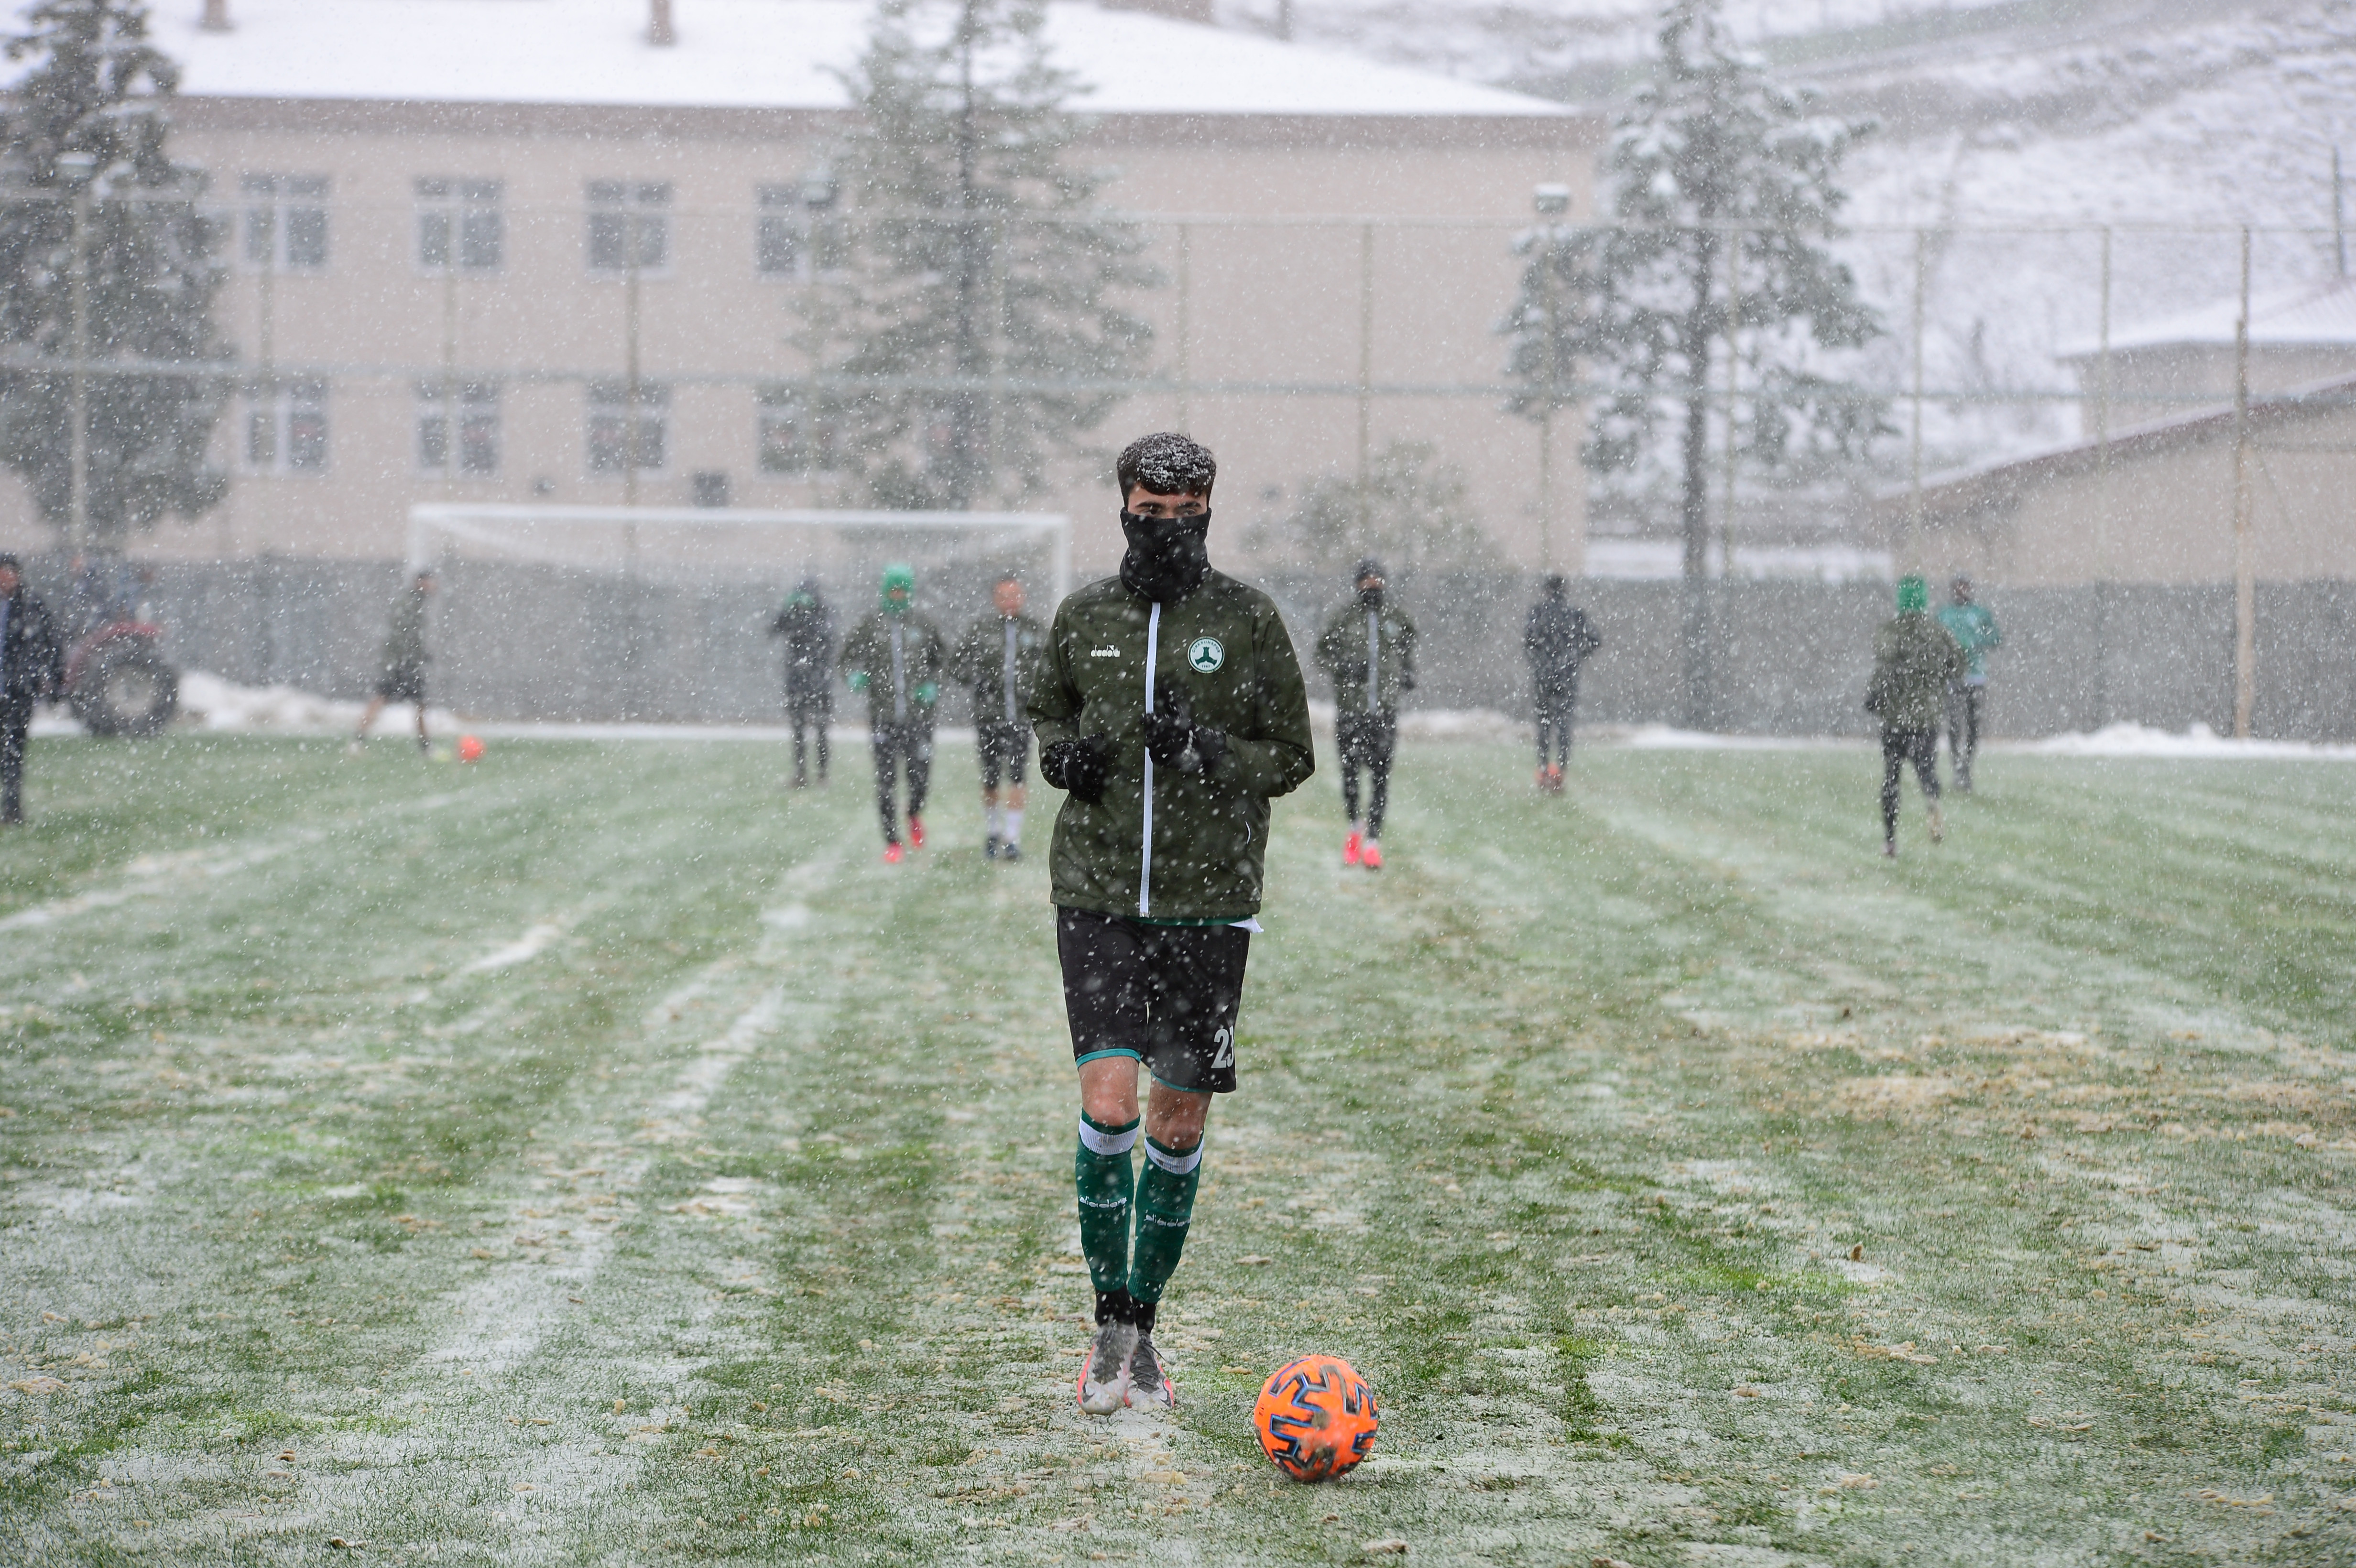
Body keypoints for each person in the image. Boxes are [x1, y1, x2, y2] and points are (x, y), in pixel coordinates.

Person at [1031, 432, 1314, 1416]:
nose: (1166, 529)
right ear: (1123, 507)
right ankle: (1108, 1322)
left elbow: (1291, 755)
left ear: (1208, 513)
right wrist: (1062, 754)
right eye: (1150, 513)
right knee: (1109, 1102)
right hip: (1100, 891)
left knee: (1176, 1117)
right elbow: (1047, 711)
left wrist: (1203, 750)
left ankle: (1144, 1326)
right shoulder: (1084, 617)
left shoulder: (1245, 619)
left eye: (1185, 515)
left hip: (1209, 903)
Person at [1312, 557, 1416, 869]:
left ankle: (1374, 840)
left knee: (1381, 778)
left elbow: (1408, 645)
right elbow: (1321, 655)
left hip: (1384, 713)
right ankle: (1354, 827)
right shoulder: (1344, 618)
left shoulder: (1396, 616)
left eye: (1377, 581)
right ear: (1357, 585)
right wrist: (1343, 667)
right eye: (1366, 581)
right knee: (1351, 776)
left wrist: (1407, 671)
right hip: (1351, 712)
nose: (1373, 587)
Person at [839, 563, 946, 863]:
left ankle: (914, 812)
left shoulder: (923, 624)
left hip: (918, 718)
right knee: (886, 781)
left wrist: (932, 684)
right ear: (884, 591)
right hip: (883, 717)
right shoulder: (870, 625)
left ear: (910, 592)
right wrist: (853, 676)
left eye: (902, 590)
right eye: (892, 590)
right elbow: (846, 658)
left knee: (919, 778)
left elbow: (943, 660)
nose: (897, 595)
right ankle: (892, 840)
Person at [950, 570, 1049, 861]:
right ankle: (993, 832)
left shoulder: (1035, 630)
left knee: (1018, 777)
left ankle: (1013, 838)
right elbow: (956, 665)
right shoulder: (981, 630)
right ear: (995, 599)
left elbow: (1051, 667)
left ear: (1023, 597)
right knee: (991, 779)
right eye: (1004, 596)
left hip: (1020, 717)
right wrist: (977, 677)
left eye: (1015, 595)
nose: (1010, 601)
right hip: (988, 718)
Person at [1867, 574, 1965, 859]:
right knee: (1926, 769)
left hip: (1895, 718)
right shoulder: (1938, 632)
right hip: (1927, 717)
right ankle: (1932, 797)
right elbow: (1957, 664)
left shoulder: (1890, 632)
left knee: (1891, 777)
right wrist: (1937, 681)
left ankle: (1890, 840)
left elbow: (1884, 665)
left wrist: (1875, 696)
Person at [0, 555, 65, 827]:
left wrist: (53, 682)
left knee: (13, 752)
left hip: (18, 692)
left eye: (10, 573)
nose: (7, 579)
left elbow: (51, 644)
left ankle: (12, 811)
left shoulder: (31, 605)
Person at [1524, 572, 1601, 793]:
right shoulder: (1575, 615)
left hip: (1543, 676)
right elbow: (1595, 640)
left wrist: (1539, 662)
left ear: (1546, 591)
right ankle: (1561, 771)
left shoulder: (1537, 614)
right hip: (1567, 676)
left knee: (1544, 725)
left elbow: (1528, 642)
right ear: (1564, 591)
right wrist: (1575, 656)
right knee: (1565, 724)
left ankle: (1543, 769)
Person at [352, 570, 436, 752]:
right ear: (420, 582)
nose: (433, 586)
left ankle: (425, 746)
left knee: (413, 703)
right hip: (402, 663)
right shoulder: (410, 604)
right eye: (430, 581)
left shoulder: (416, 603)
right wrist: (413, 656)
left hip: (403, 662)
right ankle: (358, 739)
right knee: (388, 700)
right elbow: (403, 634)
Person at [1936, 574, 2001, 794]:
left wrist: (1975, 643)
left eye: (1965, 587)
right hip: (1952, 676)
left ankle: (1967, 767)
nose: (1962, 591)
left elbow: (1996, 639)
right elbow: (1934, 640)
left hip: (1976, 676)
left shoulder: (1980, 614)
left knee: (1974, 725)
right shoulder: (1945, 614)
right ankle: (1957, 766)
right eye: (1958, 588)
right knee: (1955, 724)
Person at [769, 576, 836, 788]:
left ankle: (823, 774)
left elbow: (829, 637)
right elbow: (773, 630)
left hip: (819, 681)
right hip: (797, 680)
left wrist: (809, 617)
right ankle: (800, 773)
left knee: (821, 728)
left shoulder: (825, 614)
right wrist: (789, 610)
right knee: (798, 730)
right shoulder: (794, 615)